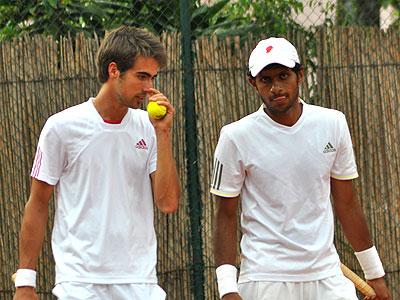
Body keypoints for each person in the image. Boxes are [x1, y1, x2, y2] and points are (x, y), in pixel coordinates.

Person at [211, 37, 391, 300]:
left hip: (327, 275)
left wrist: (374, 273)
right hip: (265, 278)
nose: (276, 87)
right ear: (253, 83)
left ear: (300, 75)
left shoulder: (333, 123)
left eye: (284, 76)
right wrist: (228, 289)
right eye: (266, 80)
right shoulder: (235, 136)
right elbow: (225, 215)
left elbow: (347, 203)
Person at [13, 26, 180, 300]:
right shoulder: (61, 127)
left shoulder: (149, 127)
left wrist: (163, 133)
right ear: (114, 70)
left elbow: (168, 203)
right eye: (142, 76)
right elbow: (38, 202)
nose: (150, 88)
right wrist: (25, 282)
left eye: (153, 77)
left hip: (141, 283)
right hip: (78, 285)